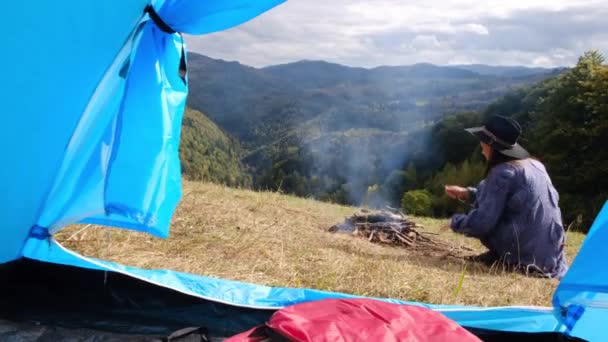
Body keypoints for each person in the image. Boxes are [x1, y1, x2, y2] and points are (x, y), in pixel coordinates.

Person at [444, 115, 567, 279]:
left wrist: (455, 222)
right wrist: (468, 194)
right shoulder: (536, 165)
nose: (481, 148)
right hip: (551, 261)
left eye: (483, 143)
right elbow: (510, 200)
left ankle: (513, 260)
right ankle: (504, 257)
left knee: (489, 221)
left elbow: (481, 223)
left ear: (492, 146)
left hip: (527, 262)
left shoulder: (503, 173)